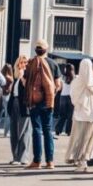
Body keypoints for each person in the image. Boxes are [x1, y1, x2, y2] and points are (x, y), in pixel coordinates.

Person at [24, 39, 62, 170]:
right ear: (46, 50)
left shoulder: (31, 63)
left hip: (34, 101)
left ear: (36, 50)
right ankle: (50, 161)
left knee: (36, 130)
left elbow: (24, 82)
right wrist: (51, 94)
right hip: (48, 102)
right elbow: (58, 85)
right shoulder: (53, 64)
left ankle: (37, 161)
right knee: (48, 130)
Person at [64, 58, 93, 172]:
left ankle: (79, 160)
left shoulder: (76, 81)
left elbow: (73, 96)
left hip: (80, 112)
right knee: (89, 138)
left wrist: (79, 103)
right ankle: (85, 159)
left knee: (78, 137)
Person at [8, 55, 32, 165]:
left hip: (25, 106)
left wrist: (23, 77)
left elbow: (29, 88)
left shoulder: (29, 76)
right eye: (21, 63)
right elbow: (12, 93)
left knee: (24, 132)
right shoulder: (16, 78)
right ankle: (15, 156)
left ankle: (23, 157)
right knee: (14, 131)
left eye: (25, 63)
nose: (23, 65)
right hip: (15, 104)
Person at [54, 63, 74, 137]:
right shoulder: (75, 78)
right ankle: (68, 131)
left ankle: (58, 130)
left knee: (62, 115)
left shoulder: (62, 77)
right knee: (70, 116)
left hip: (63, 97)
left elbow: (60, 87)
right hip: (71, 97)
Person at [0, 63, 13, 137]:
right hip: (7, 95)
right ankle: (6, 133)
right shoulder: (9, 77)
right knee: (8, 115)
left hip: (1, 95)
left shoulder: (1, 75)